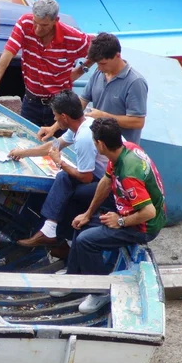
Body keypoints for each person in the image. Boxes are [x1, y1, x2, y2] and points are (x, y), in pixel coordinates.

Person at [66, 118, 166, 314]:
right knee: (81, 225)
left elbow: (148, 212)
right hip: (127, 212)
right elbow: (105, 181)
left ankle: (101, 292)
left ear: (100, 144)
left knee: (86, 241)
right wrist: (88, 214)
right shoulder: (123, 150)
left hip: (143, 227)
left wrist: (120, 222)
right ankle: (74, 276)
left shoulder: (129, 172)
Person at [8, 91, 114, 248]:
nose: (54, 119)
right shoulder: (82, 124)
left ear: (64, 117)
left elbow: (86, 178)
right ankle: (52, 232)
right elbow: (54, 145)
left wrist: (60, 162)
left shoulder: (85, 137)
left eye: (56, 116)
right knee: (64, 180)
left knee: (67, 194)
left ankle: (61, 240)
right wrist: (23, 153)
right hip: (101, 178)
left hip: (112, 188)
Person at [0, 0, 93, 128]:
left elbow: (98, 48)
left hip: (60, 105)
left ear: (56, 20)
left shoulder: (73, 37)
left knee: (59, 145)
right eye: (35, 22)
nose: (37, 29)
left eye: (44, 25)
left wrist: (81, 70)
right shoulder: (24, 23)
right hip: (31, 102)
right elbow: (7, 55)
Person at [38, 32, 148, 145]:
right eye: (97, 64)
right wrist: (54, 127)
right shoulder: (99, 73)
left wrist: (104, 116)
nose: (99, 68)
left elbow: (138, 122)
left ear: (117, 56)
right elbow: (80, 104)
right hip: (98, 146)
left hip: (121, 152)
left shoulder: (135, 82)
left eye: (103, 64)